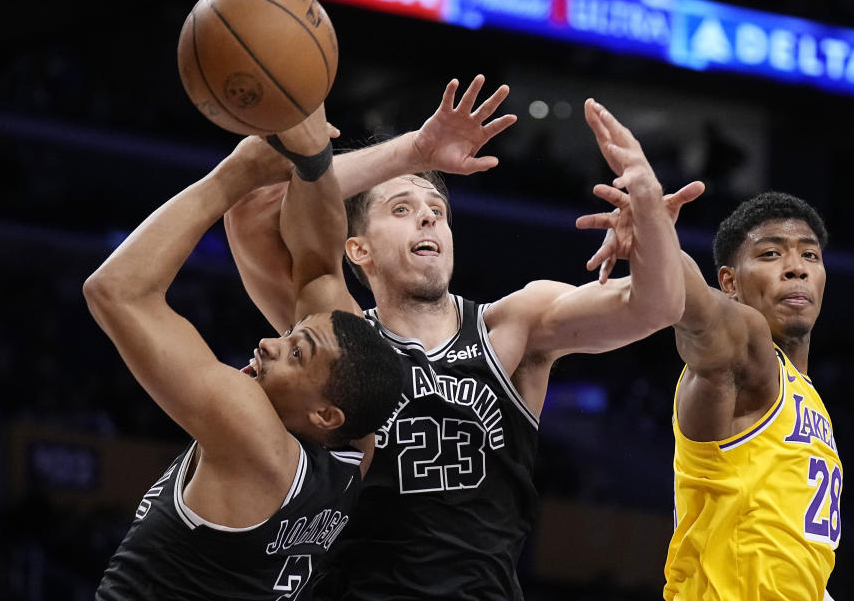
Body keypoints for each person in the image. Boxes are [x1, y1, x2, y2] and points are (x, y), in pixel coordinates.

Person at [225, 76, 703, 600]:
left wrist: (650, 207)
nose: (428, 215)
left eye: (437, 210)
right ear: (357, 250)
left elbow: (656, 306)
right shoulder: (336, 335)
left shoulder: (513, 325)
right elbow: (252, 208)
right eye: (401, 209)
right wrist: (414, 150)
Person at [86, 103, 404, 600]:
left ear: (324, 413)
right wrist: (312, 150)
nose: (269, 343)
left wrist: (235, 174)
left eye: (296, 353)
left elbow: (116, 290)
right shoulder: (353, 449)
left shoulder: (254, 437)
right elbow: (320, 268)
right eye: (291, 336)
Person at [579, 187, 842, 600]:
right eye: (771, 254)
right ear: (729, 282)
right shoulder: (747, 361)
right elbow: (702, 314)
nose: (796, 268)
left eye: (810, 255)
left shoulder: (808, 398)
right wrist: (656, 241)